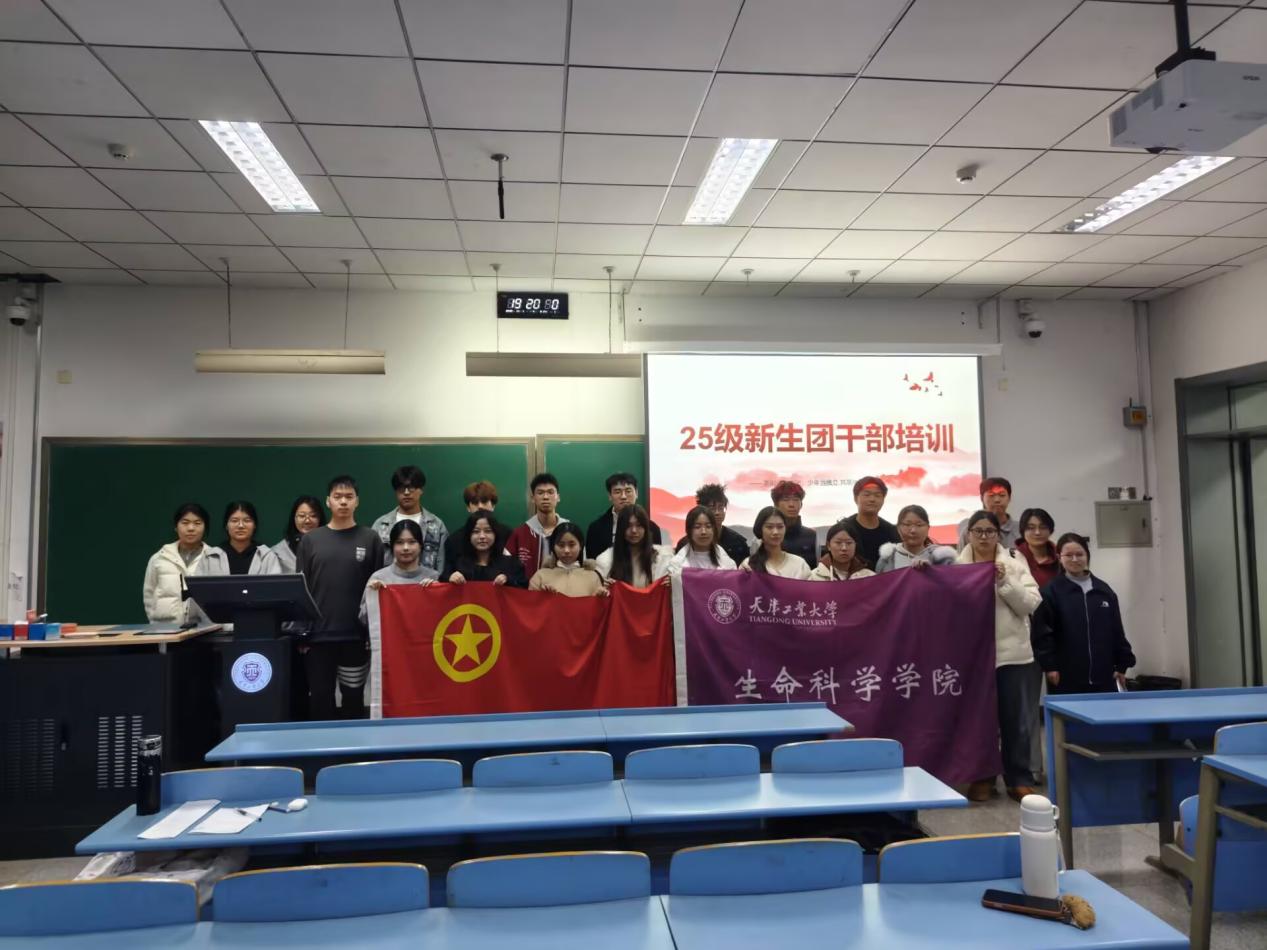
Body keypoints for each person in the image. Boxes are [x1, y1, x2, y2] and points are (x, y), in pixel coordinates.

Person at [956, 509, 1042, 803]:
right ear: (968, 534)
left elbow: (1030, 604)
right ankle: (983, 777)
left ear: (998, 534)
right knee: (979, 722)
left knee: (1014, 721)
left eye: (989, 531)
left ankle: (1018, 779)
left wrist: (1004, 582)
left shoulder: (1015, 563)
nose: (983, 537)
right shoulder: (956, 567)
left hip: (1011, 656)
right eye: (977, 531)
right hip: (973, 659)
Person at [297, 475, 384, 721]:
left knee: (354, 699)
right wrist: (303, 632)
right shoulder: (310, 540)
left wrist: (371, 633)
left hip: (356, 637)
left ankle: (352, 746)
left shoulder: (370, 538)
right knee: (320, 698)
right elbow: (301, 589)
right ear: (328, 501)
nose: (343, 502)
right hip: (318, 638)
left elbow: (377, 589)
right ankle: (321, 747)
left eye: (348, 496)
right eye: (337, 497)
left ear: (357, 501)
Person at [1032, 533, 1136, 695]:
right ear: (1059, 557)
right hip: (1065, 676)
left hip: (1104, 674)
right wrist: (1050, 666)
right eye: (1068, 555)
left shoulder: (1103, 591)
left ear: (1087, 556)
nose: (1075, 559)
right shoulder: (1051, 592)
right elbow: (1042, 634)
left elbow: (1116, 630)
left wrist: (1122, 664)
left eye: (1079, 554)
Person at [358, 519, 440, 625]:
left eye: (412, 542)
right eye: (399, 542)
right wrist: (373, 596)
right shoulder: (379, 578)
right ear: (392, 546)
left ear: (420, 545)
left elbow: (443, 619)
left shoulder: (434, 577)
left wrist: (438, 592)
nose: (406, 548)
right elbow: (364, 620)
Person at [142, 502, 213, 622]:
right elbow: (149, 595)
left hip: (204, 628)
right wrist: (156, 623)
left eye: (197, 523)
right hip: (165, 629)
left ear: (205, 527)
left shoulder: (213, 558)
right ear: (176, 527)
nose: (191, 528)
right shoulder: (160, 558)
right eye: (185, 523)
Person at [371, 465, 447, 573]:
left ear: (421, 490)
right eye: (401, 488)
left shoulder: (436, 526)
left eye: (411, 487)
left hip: (427, 582)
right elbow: (373, 565)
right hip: (389, 583)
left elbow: (442, 565)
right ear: (395, 491)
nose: (406, 492)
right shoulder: (381, 525)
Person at [585, 472, 663, 559]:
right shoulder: (595, 529)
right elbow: (593, 562)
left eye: (628, 491)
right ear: (610, 496)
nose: (623, 496)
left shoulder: (652, 528)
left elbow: (655, 561)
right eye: (617, 492)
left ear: (636, 493)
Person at [195, 500, 280, 576]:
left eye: (247, 520)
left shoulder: (267, 556)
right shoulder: (210, 557)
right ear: (226, 525)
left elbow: (275, 586)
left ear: (255, 525)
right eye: (234, 520)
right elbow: (199, 587)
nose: (240, 526)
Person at [506, 473, 567, 579]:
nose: (545, 497)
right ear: (533, 498)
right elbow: (506, 569)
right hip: (529, 588)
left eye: (550, 492)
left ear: (558, 497)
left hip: (563, 588)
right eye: (540, 493)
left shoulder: (569, 531)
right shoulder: (519, 534)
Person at [596, 505, 672, 587]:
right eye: (628, 526)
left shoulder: (662, 557)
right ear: (621, 529)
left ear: (646, 528)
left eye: (638, 525)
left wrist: (673, 582)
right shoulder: (606, 560)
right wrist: (600, 586)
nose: (634, 530)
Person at [448, 512, 526, 587]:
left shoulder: (511, 564)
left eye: (488, 531)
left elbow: (523, 588)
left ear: (495, 534)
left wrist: (508, 580)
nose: (482, 536)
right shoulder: (458, 564)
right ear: (469, 536)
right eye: (476, 531)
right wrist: (451, 578)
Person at [528, 522, 606, 596]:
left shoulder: (593, 577)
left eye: (572, 545)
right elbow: (530, 603)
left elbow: (597, 604)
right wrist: (542, 596)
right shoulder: (540, 576)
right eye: (561, 545)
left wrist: (598, 597)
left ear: (580, 546)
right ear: (553, 547)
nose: (566, 550)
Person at [875, 504, 957, 573]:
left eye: (919, 525)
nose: (913, 530)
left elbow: (953, 581)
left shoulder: (942, 558)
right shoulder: (887, 559)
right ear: (898, 528)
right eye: (907, 525)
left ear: (928, 528)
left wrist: (931, 570)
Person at [839, 476, 900, 568]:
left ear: (883, 499)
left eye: (877, 495)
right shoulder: (843, 529)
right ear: (855, 498)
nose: (872, 499)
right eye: (867, 495)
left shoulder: (892, 531)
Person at [442, 480, 497, 577]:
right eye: (475, 502)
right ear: (468, 507)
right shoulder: (454, 540)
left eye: (484, 501)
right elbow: (446, 574)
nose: (480, 506)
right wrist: (452, 577)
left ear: (493, 505)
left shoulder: (508, 536)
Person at [741, 507, 812, 579]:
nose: (776, 532)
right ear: (760, 530)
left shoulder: (799, 564)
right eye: (769, 527)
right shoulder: (748, 565)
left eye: (780, 527)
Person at [696, 482, 751, 567]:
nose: (717, 512)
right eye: (712, 508)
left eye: (721, 508)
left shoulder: (738, 543)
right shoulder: (689, 543)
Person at [957, 477, 1020, 551]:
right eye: (991, 495)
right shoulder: (970, 531)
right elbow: (961, 557)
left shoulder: (1020, 531)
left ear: (1009, 498)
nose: (997, 500)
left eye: (1002, 495)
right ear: (981, 498)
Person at [669, 506, 737, 573]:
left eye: (708, 526)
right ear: (689, 530)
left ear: (714, 530)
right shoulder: (677, 565)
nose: (703, 532)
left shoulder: (728, 564)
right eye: (697, 527)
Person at [770, 480, 819, 567]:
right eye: (786, 500)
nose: (791, 504)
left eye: (796, 500)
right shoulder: (766, 536)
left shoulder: (812, 536)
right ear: (776, 505)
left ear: (801, 504)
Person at [272, 495, 325, 573]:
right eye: (302, 516)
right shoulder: (278, 553)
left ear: (320, 518)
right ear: (294, 518)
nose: (307, 521)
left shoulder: (329, 546)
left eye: (313, 516)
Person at [809, 521, 875, 581]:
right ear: (828, 545)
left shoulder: (869, 577)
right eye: (838, 543)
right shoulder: (814, 578)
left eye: (849, 543)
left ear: (855, 545)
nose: (844, 548)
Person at [1015, 508, 1060, 589]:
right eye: (1031, 528)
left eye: (1043, 527)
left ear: (1050, 530)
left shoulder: (1060, 557)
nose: (1037, 532)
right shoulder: (1012, 558)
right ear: (1023, 531)